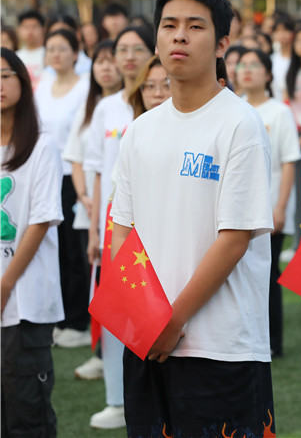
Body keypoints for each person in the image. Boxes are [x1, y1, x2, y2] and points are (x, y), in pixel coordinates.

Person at [110, 0, 276, 437]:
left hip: (220, 346)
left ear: (223, 43)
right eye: (169, 25)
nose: (179, 35)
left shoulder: (239, 125)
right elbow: (121, 228)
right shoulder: (141, 130)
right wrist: (140, 316)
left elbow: (235, 238)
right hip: (146, 338)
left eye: (195, 26)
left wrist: (174, 319)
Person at [83, 25, 154, 429]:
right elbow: (97, 172)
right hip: (113, 219)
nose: (128, 57)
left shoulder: (162, 103)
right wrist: (94, 230)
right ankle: (115, 396)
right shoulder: (107, 108)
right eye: (122, 49)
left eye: (137, 49)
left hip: (152, 218)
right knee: (114, 309)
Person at [0, 48, 64, 438]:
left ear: (23, 82)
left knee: (27, 412)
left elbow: (40, 220)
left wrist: (6, 284)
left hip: (24, 303)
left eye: (5, 75)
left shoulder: (41, 146)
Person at [61, 39, 123, 380]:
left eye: (110, 60)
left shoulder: (131, 106)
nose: (106, 67)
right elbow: (78, 159)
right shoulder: (89, 112)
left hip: (119, 210)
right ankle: (101, 350)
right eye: (99, 61)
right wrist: (85, 196)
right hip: (91, 207)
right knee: (94, 279)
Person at [235, 47, 300, 360]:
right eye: (242, 64)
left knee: (268, 276)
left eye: (255, 65)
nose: (247, 70)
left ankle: (272, 341)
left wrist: (280, 207)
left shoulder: (279, 111)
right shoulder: (234, 107)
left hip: (271, 203)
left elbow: (288, 162)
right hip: (239, 206)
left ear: (269, 74)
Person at [34, 29, 91, 348]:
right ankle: (60, 317)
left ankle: (77, 321)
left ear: (75, 53)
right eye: (50, 48)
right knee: (51, 246)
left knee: (73, 248)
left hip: (73, 174)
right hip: (46, 174)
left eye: (62, 48)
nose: (55, 54)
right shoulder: (43, 85)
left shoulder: (84, 87)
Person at [16, 9, 47, 87]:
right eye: (26, 27)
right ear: (19, 30)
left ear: (43, 29)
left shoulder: (49, 54)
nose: (30, 31)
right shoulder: (16, 57)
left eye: (34, 27)